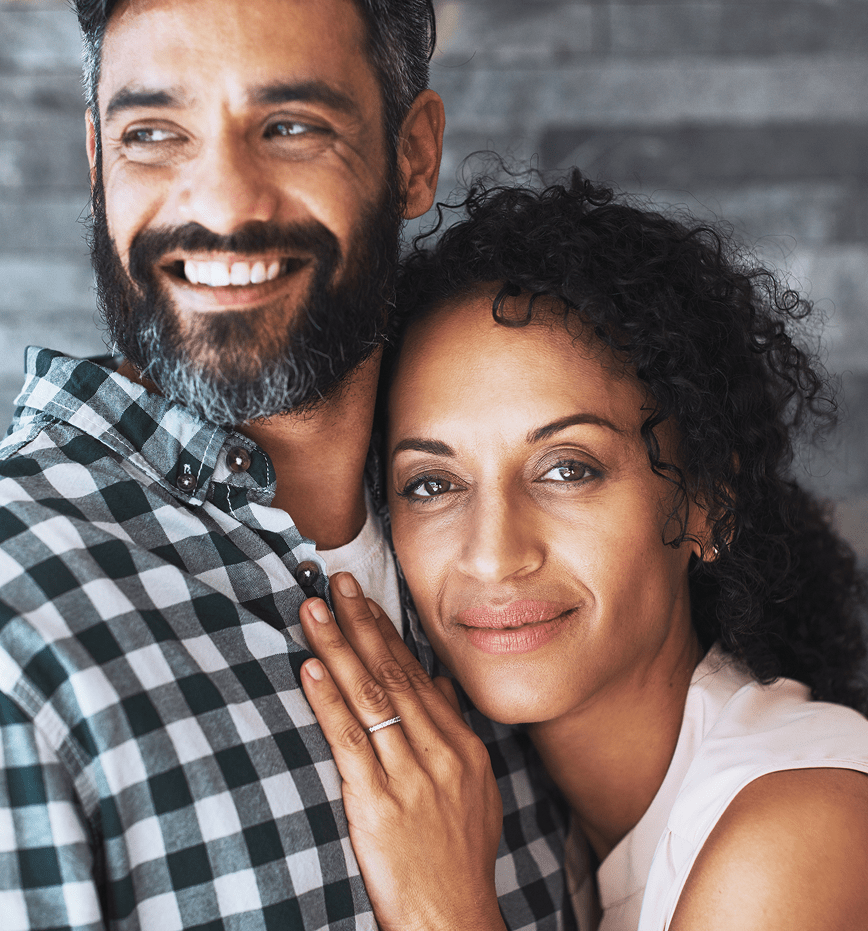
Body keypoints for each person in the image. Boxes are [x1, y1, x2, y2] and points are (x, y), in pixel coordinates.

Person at [0, 3, 573, 929]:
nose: (223, 205)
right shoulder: (18, 632)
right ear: (99, 162)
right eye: (153, 134)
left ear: (412, 154)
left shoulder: (518, 564)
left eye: (292, 127)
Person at [297, 171, 868, 931]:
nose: (493, 555)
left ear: (708, 504)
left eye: (568, 469)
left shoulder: (799, 824)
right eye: (433, 483)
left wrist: (443, 912)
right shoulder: (564, 836)